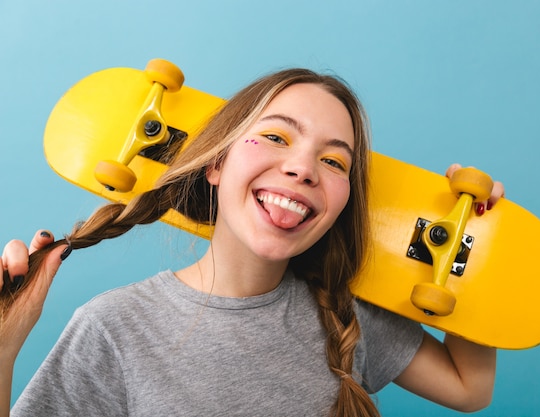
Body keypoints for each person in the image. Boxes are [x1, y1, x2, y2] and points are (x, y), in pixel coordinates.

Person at [0, 68, 503, 416]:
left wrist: (480, 245)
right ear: (216, 163)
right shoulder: (113, 327)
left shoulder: (348, 316)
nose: (303, 168)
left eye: (334, 161)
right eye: (278, 137)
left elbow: (469, 387)